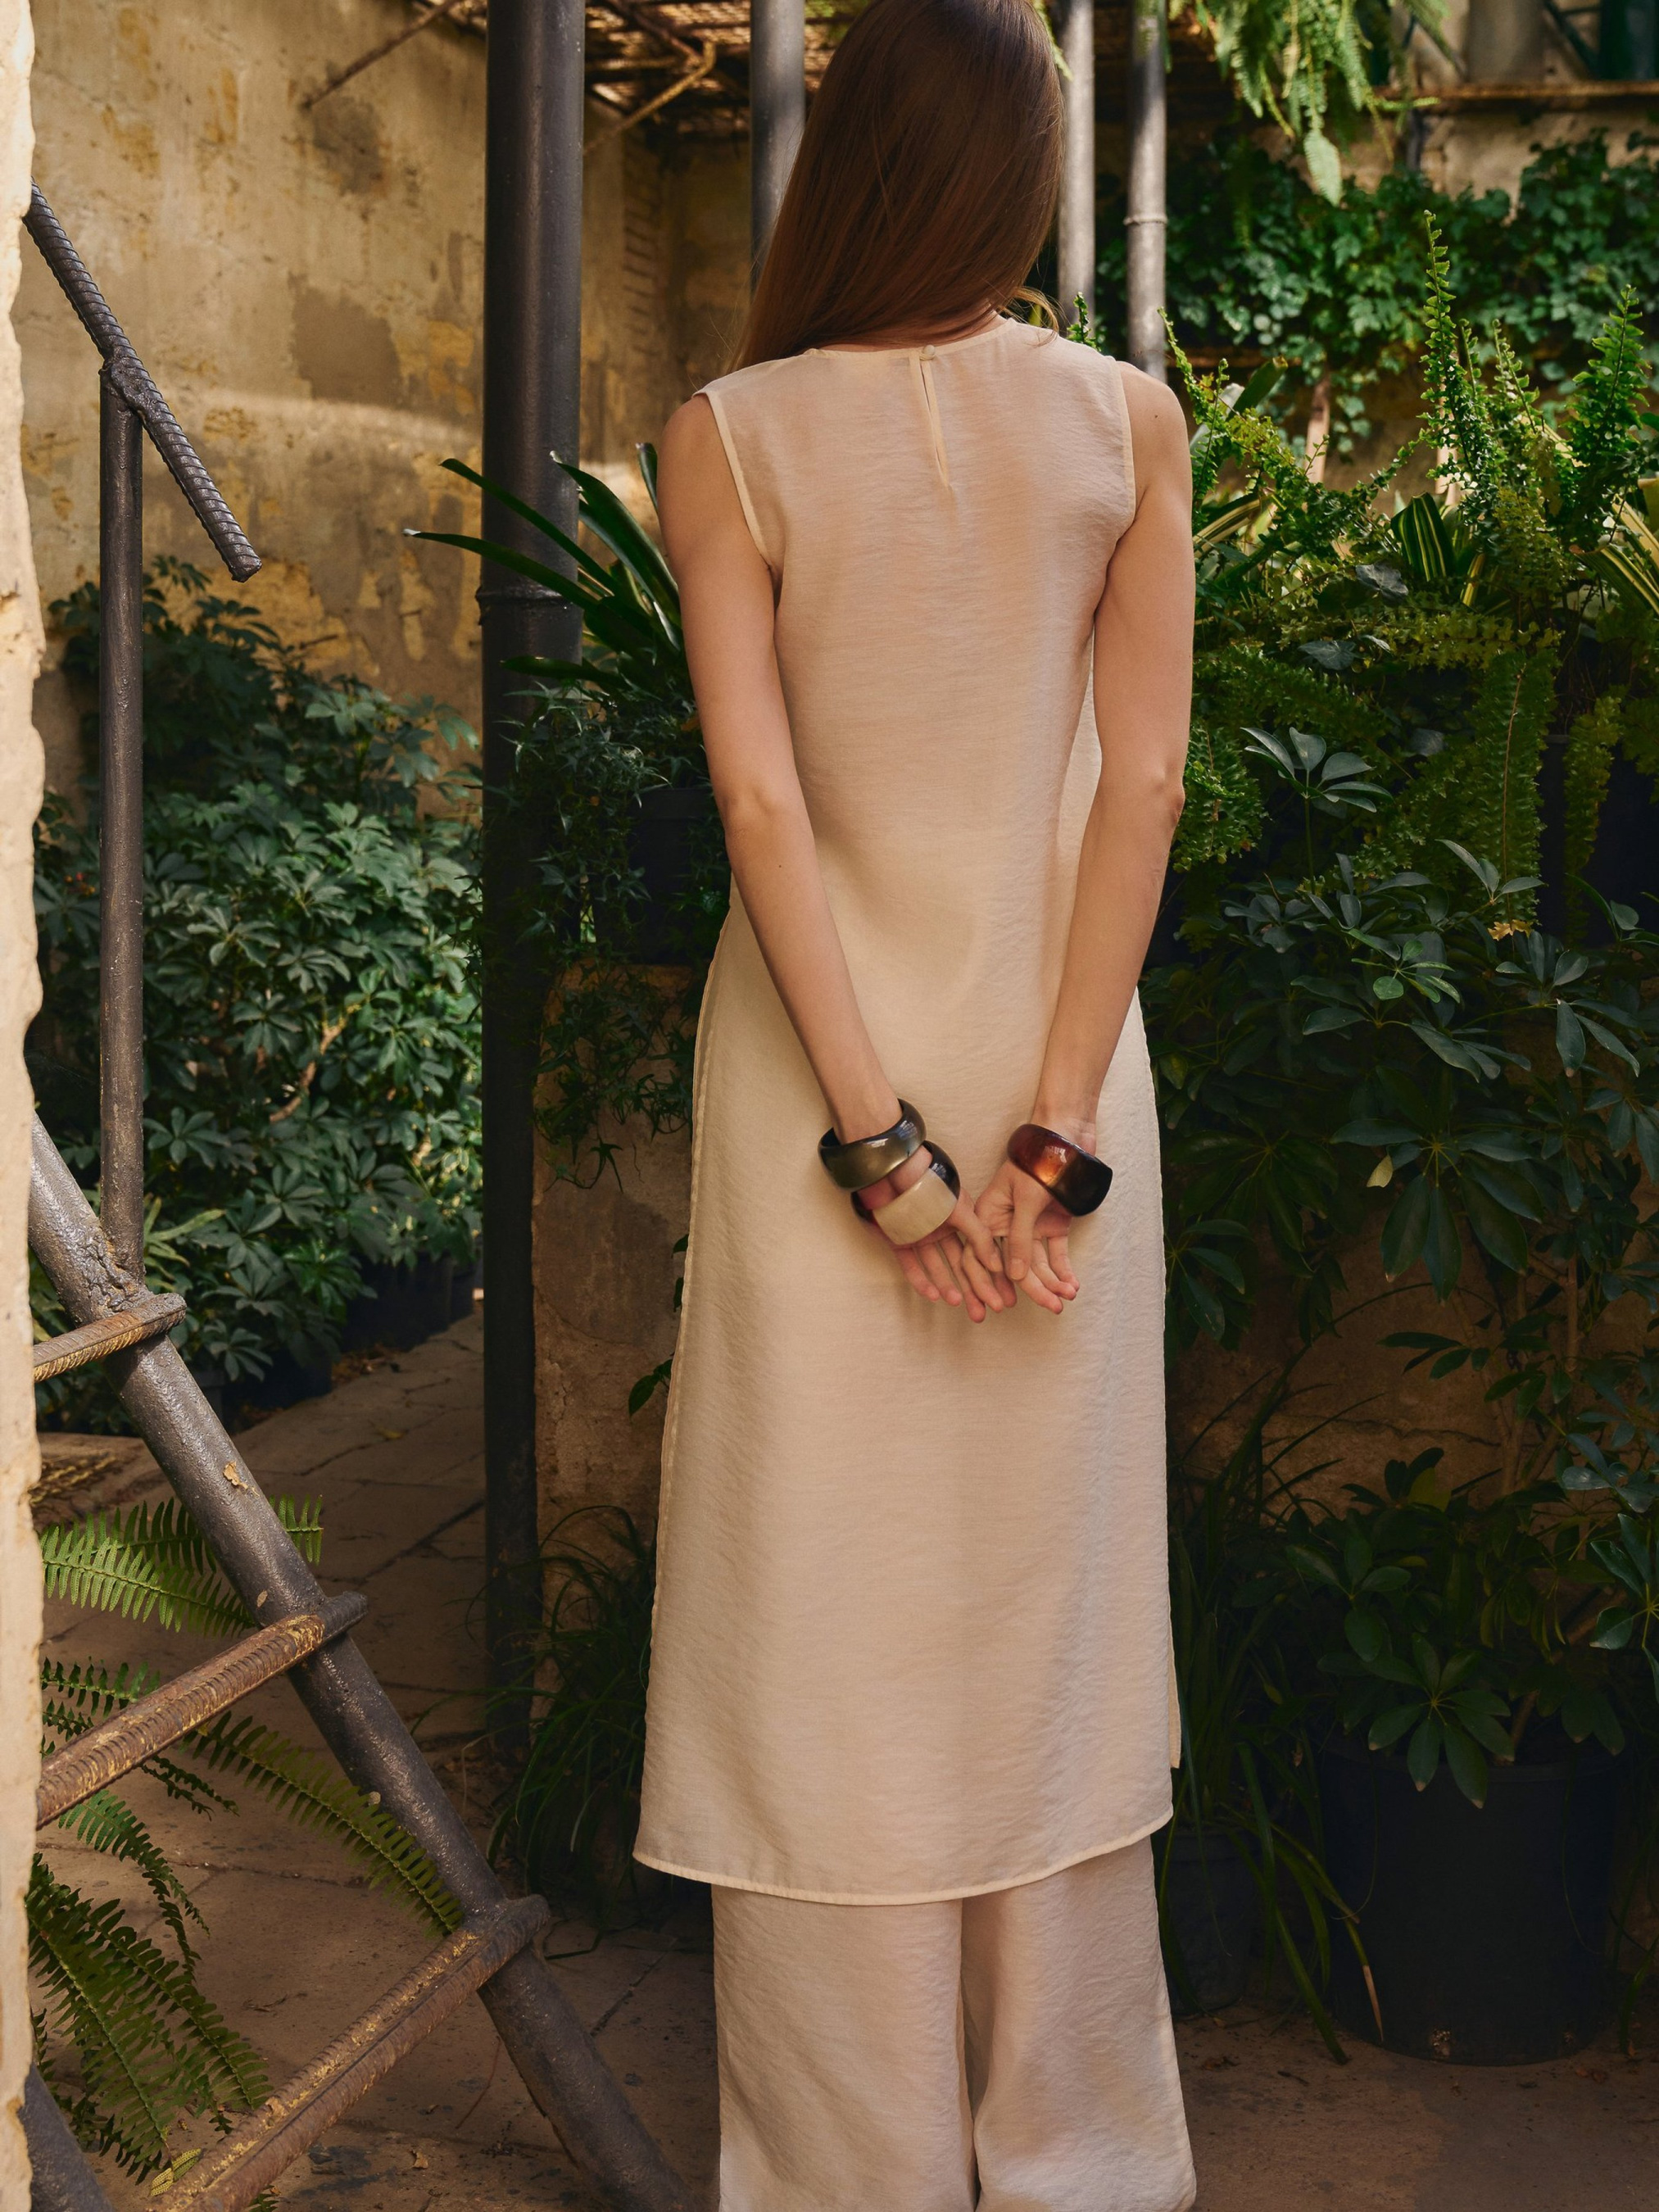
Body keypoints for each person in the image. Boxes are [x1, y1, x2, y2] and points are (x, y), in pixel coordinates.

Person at [635, 0, 1196, 2201]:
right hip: (1068, 1087)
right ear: (1023, 175)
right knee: (1049, 1626)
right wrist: (1051, 1138)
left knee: (820, 1628)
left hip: (819, 1084)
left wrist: (882, 1146)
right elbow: (1141, 787)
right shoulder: (1127, 423)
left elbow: (762, 805)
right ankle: (1078, 2157)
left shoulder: (726, 434)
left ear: (846, 160)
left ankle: (841, 2169)